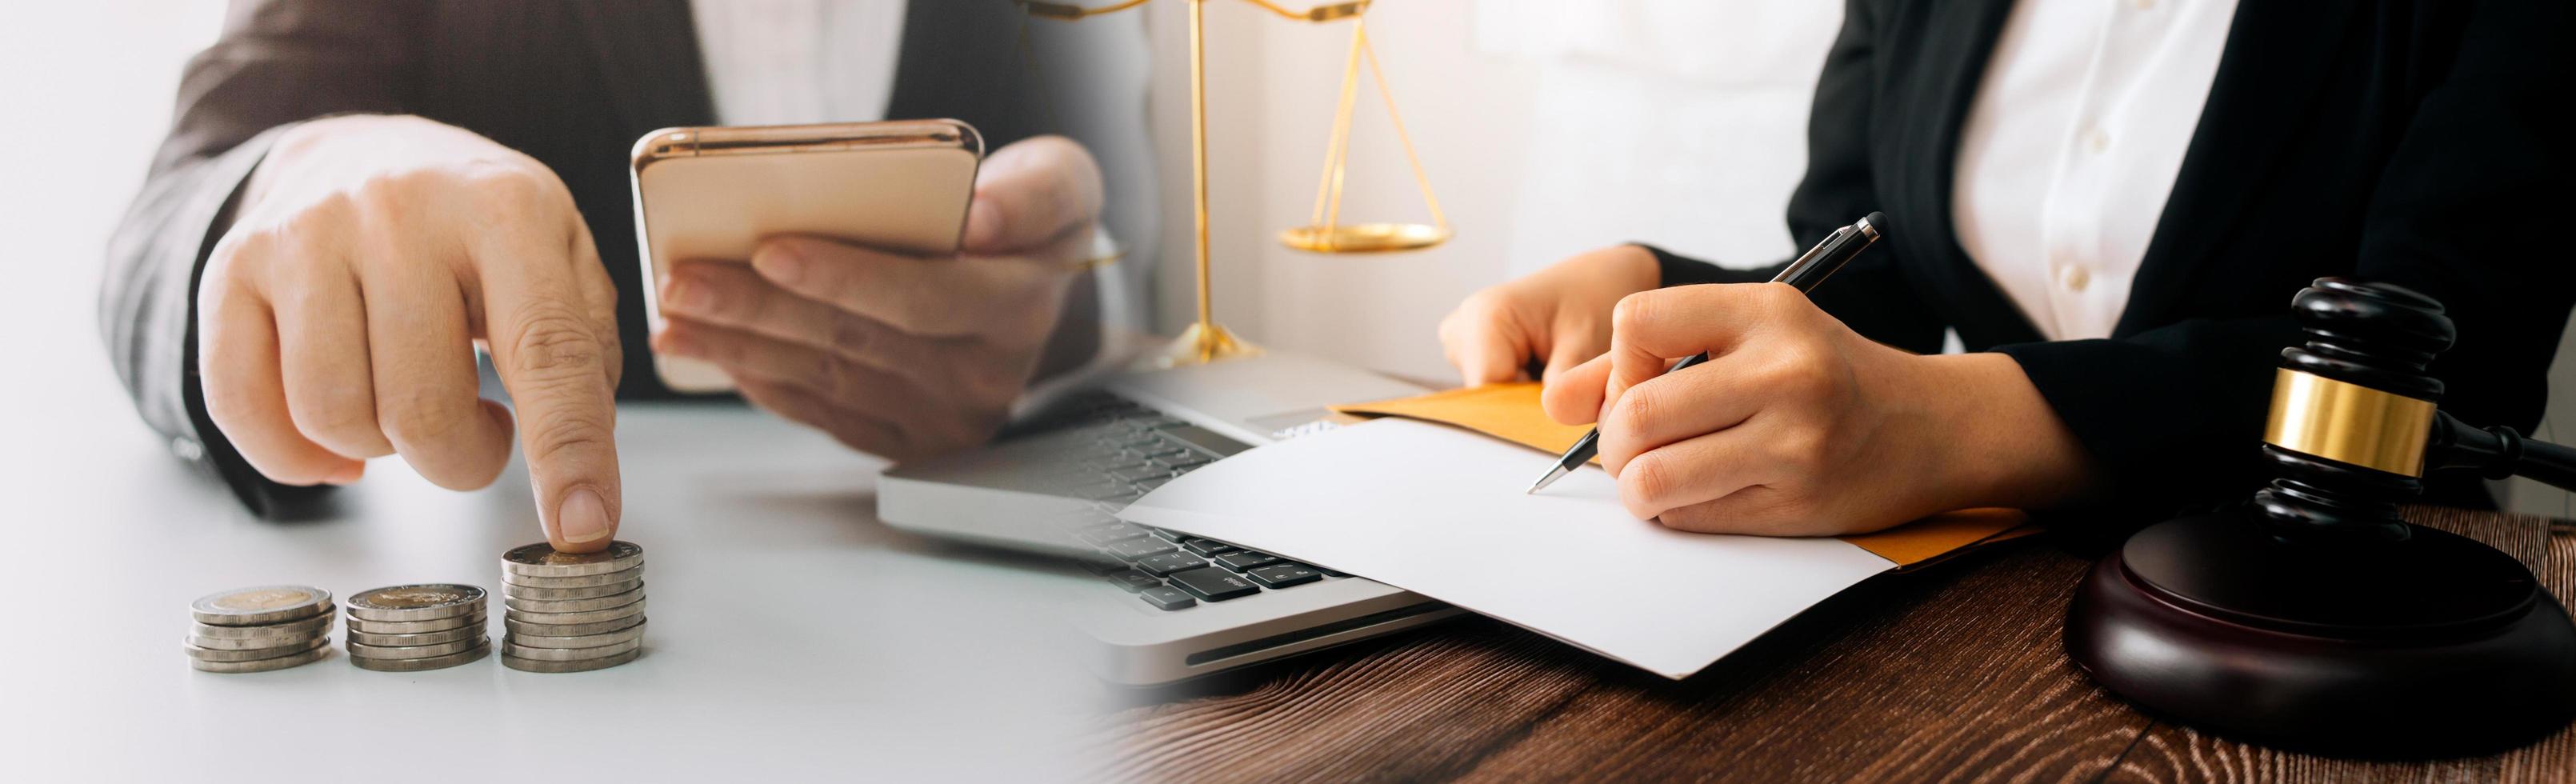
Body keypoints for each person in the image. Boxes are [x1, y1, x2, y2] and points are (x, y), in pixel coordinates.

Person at [1438, 0, 2573, 536]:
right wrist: (1651, 284)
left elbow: (2453, 372)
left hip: (2346, 623)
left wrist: (1963, 425)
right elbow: (1871, 265)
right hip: (1970, 594)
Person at [103, 1, 1126, 552]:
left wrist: (1053, 317)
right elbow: (163, 225)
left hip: (966, 579)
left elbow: (1109, 242)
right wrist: (302, 174)